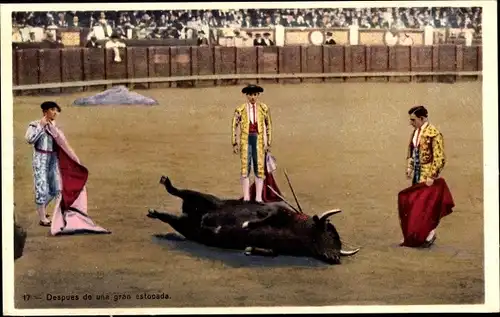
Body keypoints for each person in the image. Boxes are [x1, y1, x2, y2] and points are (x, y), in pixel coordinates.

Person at [401, 105, 448, 247]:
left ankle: (429, 234)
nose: (411, 123)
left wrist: (432, 176)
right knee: (417, 204)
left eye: (413, 120)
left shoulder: (434, 133)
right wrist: (410, 167)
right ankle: (420, 235)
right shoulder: (415, 132)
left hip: (427, 175)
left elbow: (440, 158)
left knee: (426, 206)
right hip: (417, 174)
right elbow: (411, 151)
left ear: (422, 119)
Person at [231, 84, 272, 202]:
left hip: (258, 140)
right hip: (246, 140)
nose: (253, 97)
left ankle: (258, 198)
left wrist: (268, 142)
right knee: (245, 168)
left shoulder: (263, 108)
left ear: (258, 95)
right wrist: (235, 143)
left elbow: (268, 125)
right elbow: (234, 125)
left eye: (255, 94)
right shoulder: (240, 109)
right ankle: (247, 197)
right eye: (250, 95)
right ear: (246, 95)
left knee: (259, 168)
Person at [25, 101, 62, 226]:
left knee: (55, 187)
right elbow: (29, 139)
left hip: (53, 158)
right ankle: (42, 218)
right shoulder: (35, 124)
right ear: (45, 111)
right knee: (41, 187)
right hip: (40, 158)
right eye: (52, 110)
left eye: (56, 110)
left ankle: (42, 210)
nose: (55, 112)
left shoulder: (54, 125)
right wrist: (41, 126)